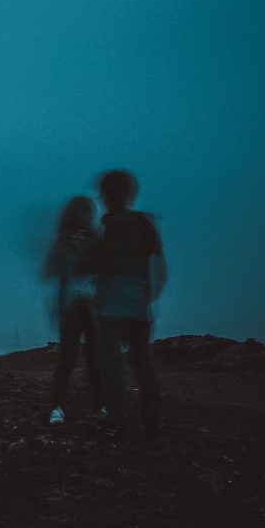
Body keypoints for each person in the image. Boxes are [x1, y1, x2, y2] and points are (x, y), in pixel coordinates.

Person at [95, 169, 166, 437]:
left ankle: (115, 415)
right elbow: (158, 267)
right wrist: (148, 297)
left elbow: (94, 266)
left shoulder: (105, 226)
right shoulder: (144, 224)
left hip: (110, 306)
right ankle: (152, 417)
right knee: (142, 362)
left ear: (107, 196)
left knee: (112, 364)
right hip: (138, 306)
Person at [43, 197, 102, 425]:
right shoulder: (80, 240)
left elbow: (49, 270)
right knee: (74, 359)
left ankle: (62, 408)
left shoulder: (75, 240)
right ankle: (63, 407)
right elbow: (50, 269)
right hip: (79, 306)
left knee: (81, 359)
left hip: (78, 306)